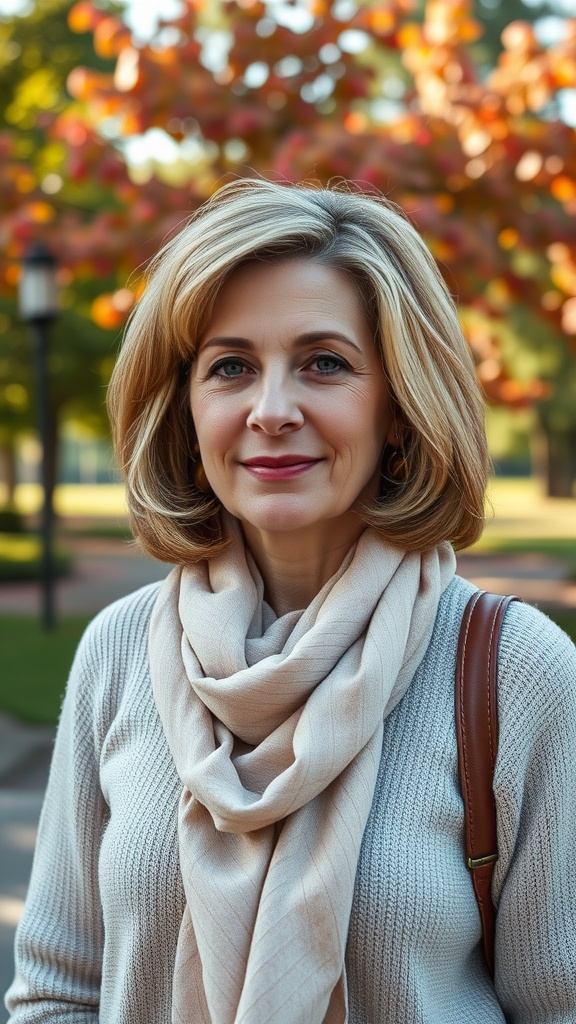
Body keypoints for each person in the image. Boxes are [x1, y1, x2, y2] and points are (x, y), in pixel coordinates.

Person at [6, 179, 576, 1024]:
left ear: (397, 406)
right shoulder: (118, 653)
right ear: (188, 410)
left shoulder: (518, 672)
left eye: (325, 363)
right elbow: (56, 993)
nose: (272, 411)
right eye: (231, 367)